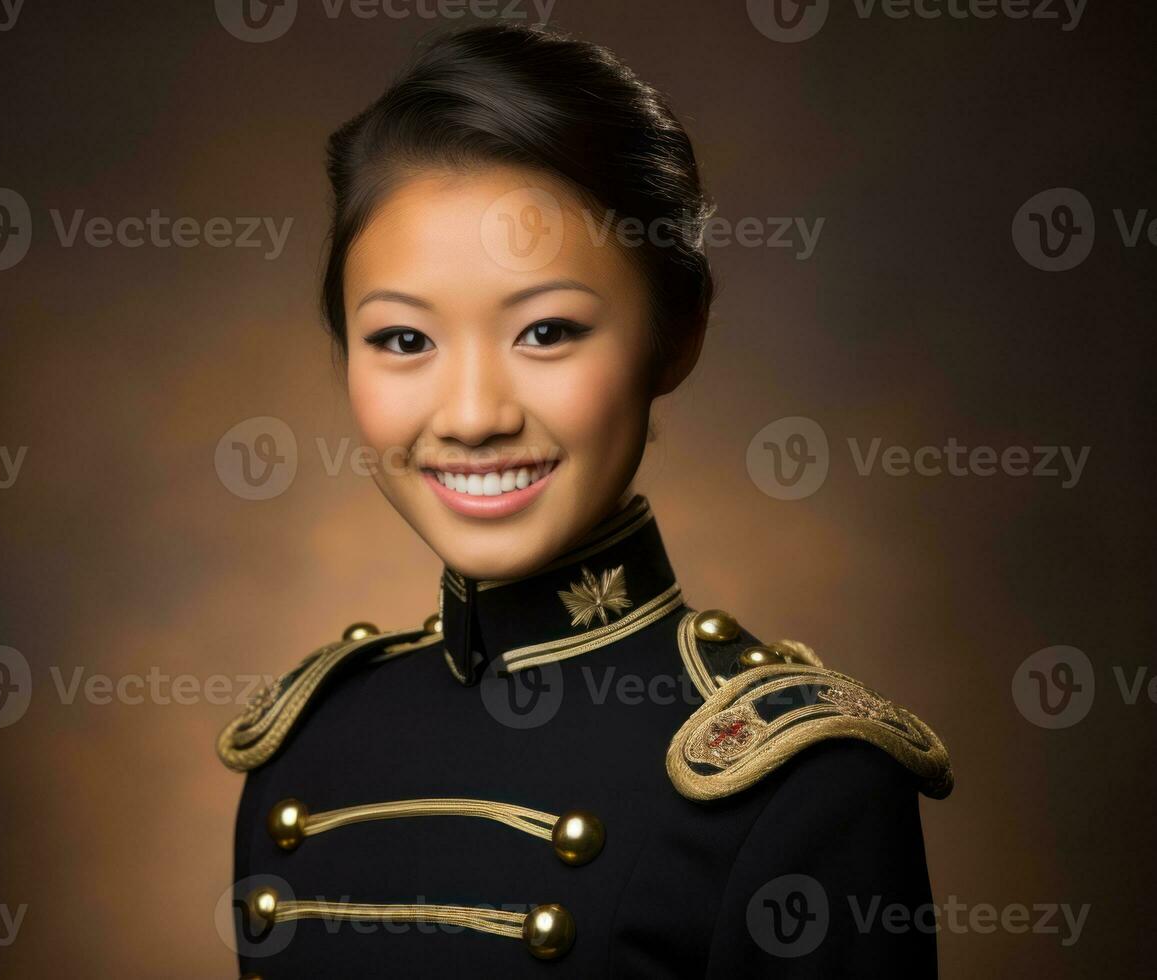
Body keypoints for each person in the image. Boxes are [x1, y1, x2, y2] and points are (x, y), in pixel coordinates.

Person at [217, 21, 952, 978]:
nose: (473, 414)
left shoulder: (801, 783)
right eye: (403, 340)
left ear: (675, 337)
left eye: (547, 331)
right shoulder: (308, 748)